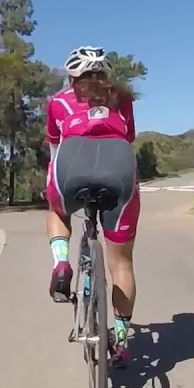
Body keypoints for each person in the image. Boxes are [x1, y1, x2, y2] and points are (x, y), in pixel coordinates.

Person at [44, 45, 141, 367]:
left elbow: (55, 146)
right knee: (122, 265)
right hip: (119, 164)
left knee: (58, 211)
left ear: (72, 75)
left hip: (73, 162)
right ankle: (122, 340)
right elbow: (128, 136)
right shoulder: (122, 98)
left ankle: (60, 263)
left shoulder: (58, 102)